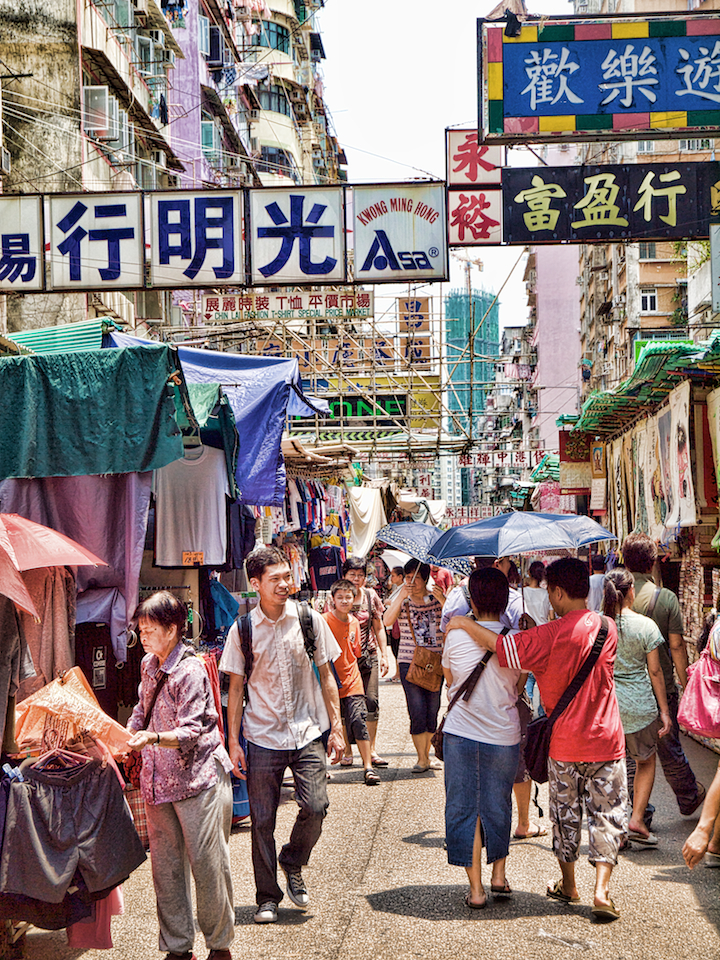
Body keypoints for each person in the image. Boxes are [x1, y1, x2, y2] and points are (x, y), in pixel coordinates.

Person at [447, 557, 627, 922]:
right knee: (606, 815)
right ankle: (601, 890)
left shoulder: (543, 637)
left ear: (558, 591)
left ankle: (569, 884)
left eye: (549, 592)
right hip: (607, 741)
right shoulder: (608, 628)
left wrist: (464, 622)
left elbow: (500, 648)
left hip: (564, 744)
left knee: (566, 817)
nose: (548, 598)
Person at [219, 546, 344, 925]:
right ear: (254, 584)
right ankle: (267, 897)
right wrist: (233, 742)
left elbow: (327, 676)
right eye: (275, 579)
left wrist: (336, 727)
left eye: (288, 576)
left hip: (307, 731)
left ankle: (292, 860)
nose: (285, 584)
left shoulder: (309, 619)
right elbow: (236, 690)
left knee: (316, 806)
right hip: (262, 736)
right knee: (262, 821)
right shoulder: (242, 630)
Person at [127, 591, 234, 960]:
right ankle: (177, 947)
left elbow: (192, 731)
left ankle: (219, 945)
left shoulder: (189, 670)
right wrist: (127, 734)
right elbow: (142, 710)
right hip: (157, 784)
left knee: (208, 867)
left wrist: (153, 738)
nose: (144, 637)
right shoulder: (147, 665)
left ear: (172, 629)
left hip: (196, 781)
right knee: (166, 871)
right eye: (141, 630)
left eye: (151, 629)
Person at [442, 568, 522, 908]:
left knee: (464, 808)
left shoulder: (455, 635)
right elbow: (518, 687)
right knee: (498, 803)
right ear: (505, 600)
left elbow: (449, 679)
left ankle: (476, 890)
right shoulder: (516, 638)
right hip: (504, 733)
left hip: (461, 732)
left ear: (471, 599)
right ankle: (499, 875)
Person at [622, 532, 705, 817]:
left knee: (631, 755)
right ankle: (689, 796)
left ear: (623, 560)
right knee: (669, 748)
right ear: (652, 561)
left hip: (626, 689)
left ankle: (638, 811)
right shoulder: (665, 598)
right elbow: (677, 646)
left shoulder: (615, 597)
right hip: (662, 687)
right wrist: (686, 681)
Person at [602, 569, 672, 845]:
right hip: (641, 707)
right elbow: (655, 673)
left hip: (608, 707)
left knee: (613, 767)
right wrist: (664, 711)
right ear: (630, 591)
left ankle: (616, 828)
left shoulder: (600, 624)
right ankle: (637, 818)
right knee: (645, 762)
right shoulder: (645, 626)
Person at [325, 556, 389, 767]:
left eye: (361, 575)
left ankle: (370, 750)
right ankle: (348, 751)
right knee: (342, 705)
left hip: (367, 656)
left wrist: (385, 654)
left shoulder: (370, 596)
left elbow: (379, 627)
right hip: (341, 660)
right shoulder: (334, 597)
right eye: (352, 574)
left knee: (371, 702)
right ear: (344, 575)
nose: (357, 578)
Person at [384, 558, 445, 772]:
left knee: (433, 709)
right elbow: (386, 621)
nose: (411, 582)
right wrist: (401, 595)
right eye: (408, 578)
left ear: (425, 579)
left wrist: (444, 599)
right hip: (409, 662)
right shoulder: (403, 601)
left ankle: (428, 755)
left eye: (416, 578)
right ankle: (422, 758)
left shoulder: (436, 600)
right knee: (416, 709)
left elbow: (452, 622)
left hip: (434, 662)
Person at [323, 579, 380, 786]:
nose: (345, 601)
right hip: (328, 680)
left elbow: (355, 651)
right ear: (333, 599)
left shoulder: (355, 622)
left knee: (358, 720)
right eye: (340, 597)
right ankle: (322, 768)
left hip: (352, 679)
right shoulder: (324, 621)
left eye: (348, 597)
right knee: (326, 725)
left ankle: (368, 767)